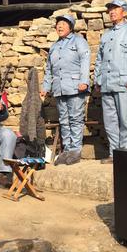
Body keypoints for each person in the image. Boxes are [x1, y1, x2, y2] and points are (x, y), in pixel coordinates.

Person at [94, 0, 127, 163]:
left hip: (124, 83)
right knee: (110, 122)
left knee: (126, 119)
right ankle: (114, 153)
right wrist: (98, 80)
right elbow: (99, 60)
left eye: (115, 9)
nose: (112, 12)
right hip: (107, 84)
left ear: (125, 11)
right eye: (110, 9)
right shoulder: (106, 35)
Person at [40, 14, 90, 165]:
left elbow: (85, 61)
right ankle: (67, 150)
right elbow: (49, 69)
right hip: (59, 89)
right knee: (64, 120)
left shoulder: (79, 41)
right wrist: (45, 87)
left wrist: (84, 81)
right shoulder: (54, 46)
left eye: (63, 24)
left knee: (75, 118)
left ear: (71, 27)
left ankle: (75, 151)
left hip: (75, 87)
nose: (59, 27)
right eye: (58, 24)